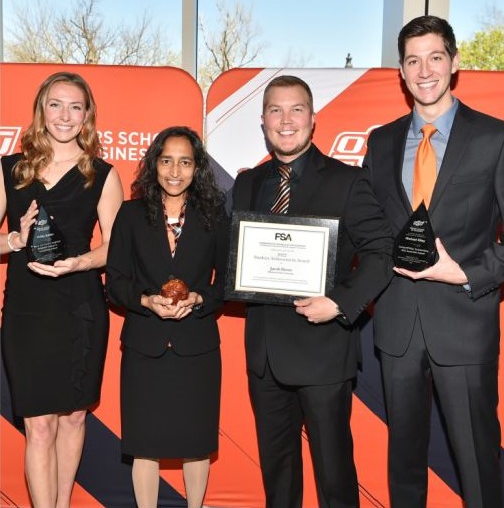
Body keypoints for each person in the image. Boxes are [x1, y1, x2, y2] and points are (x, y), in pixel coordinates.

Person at [363, 15, 504, 508]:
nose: (424, 69)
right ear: (401, 73)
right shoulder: (380, 142)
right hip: (397, 326)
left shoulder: (498, 139)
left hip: (464, 326)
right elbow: (369, 232)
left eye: (434, 57)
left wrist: (466, 273)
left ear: (454, 63)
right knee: (404, 464)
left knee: (476, 463)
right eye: (412, 60)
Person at [231, 75, 394, 508]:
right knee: (278, 474)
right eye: (275, 111)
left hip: (323, 350)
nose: (286, 121)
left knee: (334, 473)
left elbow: (381, 254)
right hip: (265, 355)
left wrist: (339, 303)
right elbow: (229, 257)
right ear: (263, 121)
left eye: (296, 109)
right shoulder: (247, 183)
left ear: (313, 118)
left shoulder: (347, 181)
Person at [0, 71, 124, 508]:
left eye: (75, 106)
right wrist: (14, 239)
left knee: (72, 419)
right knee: (38, 425)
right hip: (27, 313)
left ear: (87, 115)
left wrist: (81, 261)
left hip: (80, 309)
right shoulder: (10, 169)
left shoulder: (102, 175)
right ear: (41, 110)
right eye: (56, 104)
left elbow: (115, 247)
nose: (65, 115)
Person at [106, 126, 228, 508]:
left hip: (197, 346)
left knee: (196, 443)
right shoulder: (130, 214)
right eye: (167, 160)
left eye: (185, 161)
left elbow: (225, 282)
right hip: (145, 345)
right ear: (154, 164)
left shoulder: (214, 215)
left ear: (197, 168)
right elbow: (116, 283)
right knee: (145, 444)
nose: (175, 171)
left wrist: (198, 297)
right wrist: (145, 300)